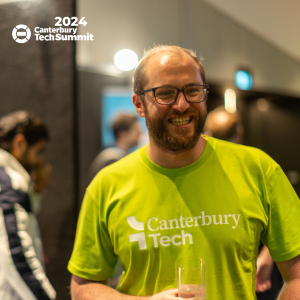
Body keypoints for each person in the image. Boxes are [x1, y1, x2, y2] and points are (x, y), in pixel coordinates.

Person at [68, 45, 300, 300]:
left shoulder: (258, 169)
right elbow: (83, 286)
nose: (182, 105)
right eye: (165, 93)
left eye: (193, 91)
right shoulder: (107, 185)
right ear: (139, 104)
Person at [204, 106, 276, 295]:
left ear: (207, 133)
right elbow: (286, 224)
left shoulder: (257, 166)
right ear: (240, 133)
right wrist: (267, 258)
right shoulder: (260, 165)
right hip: (257, 277)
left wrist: (266, 259)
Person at [0, 111, 56, 300]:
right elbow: (15, 252)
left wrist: (37, 191)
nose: (39, 160)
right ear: (20, 143)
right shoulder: (7, 182)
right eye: (38, 151)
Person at [88, 112, 141, 182]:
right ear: (122, 134)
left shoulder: (112, 155)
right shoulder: (112, 160)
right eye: (135, 130)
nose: (140, 133)